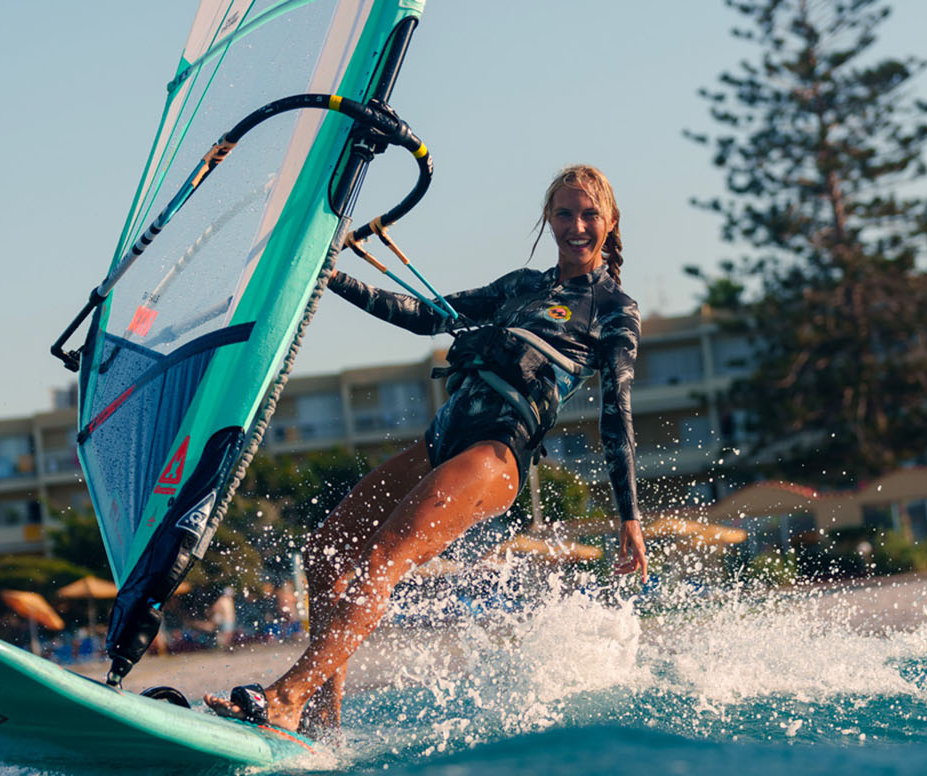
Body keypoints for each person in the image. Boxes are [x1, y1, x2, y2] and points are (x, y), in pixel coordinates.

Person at [207, 164, 647, 733]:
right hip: (440, 441)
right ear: (549, 218)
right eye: (564, 213)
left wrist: (629, 517)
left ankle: (287, 695)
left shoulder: (613, 309)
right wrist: (330, 276)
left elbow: (617, 413)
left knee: (379, 562)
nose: (576, 226)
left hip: (495, 453)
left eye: (589, 215)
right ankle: (320, 719)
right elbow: (426, 316)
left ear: (611, 222)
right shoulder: (520, 286)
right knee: (326, 554)